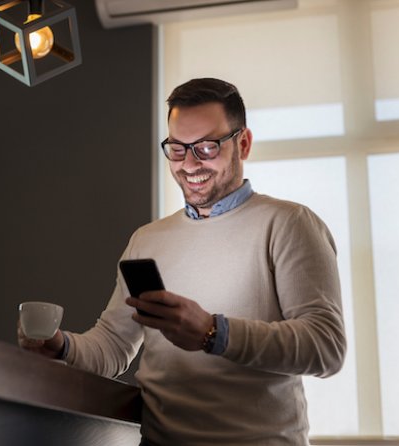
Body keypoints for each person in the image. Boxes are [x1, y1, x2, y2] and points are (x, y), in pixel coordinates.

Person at [18, 78, 346, 446]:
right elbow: (112, 346)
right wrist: (61, 347)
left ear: (243, 143)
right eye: (177, 148)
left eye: (206, 147)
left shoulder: (288, 224)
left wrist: (212, 332)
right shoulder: (147, 240)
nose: (190, 164)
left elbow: (326, 347)